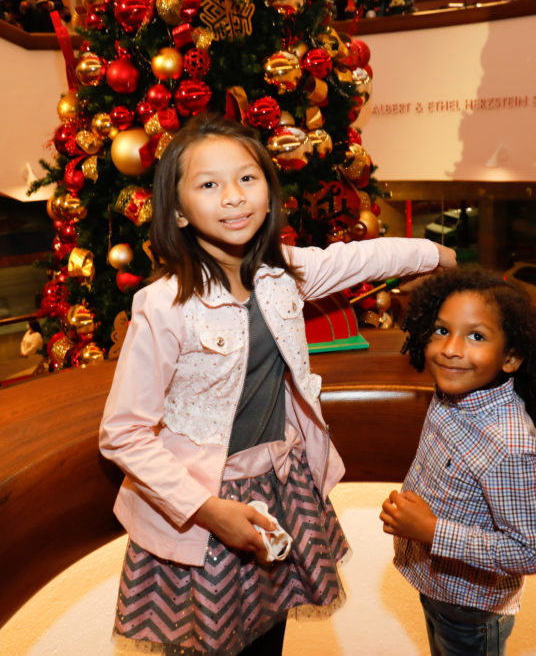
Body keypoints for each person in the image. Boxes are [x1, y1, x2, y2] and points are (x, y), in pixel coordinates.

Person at [99, 112, 456, 655]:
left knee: (269, 637)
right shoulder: (162, 305)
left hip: (278, 485)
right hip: (199, 506)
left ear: (268, 193)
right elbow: (122, 433)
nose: (233, 197)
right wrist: (208, 510)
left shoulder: (282, 273)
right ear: (178, 211)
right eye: (209, 184)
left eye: (247, 178)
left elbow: (361, 257)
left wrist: (438, 255)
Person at [380, 268, 536, 656]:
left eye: (476, 336)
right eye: (442, 330)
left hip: (471, 614)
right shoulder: (450, 393)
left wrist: (431, 530)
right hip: (437, 588)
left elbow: (530, 552)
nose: (451, 348)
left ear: (511, 357)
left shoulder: (511, 447)